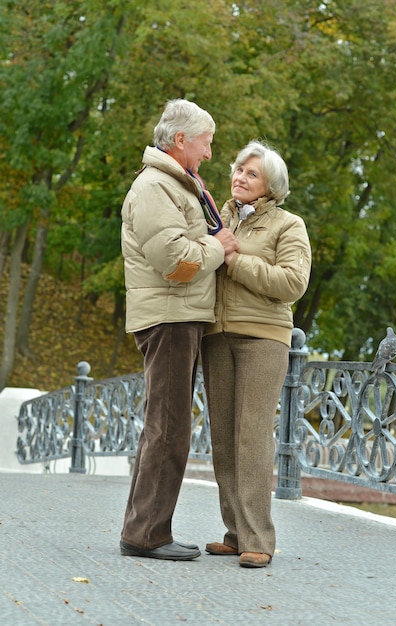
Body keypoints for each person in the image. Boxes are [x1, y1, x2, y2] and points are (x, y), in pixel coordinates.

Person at [119, 99, 238, 561]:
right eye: (206, 143)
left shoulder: (174, 185)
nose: (210, 153)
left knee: (165, 427)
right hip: (170, 317)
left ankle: (144, 528)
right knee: (169, 429)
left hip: (178, 316)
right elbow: (177, 263)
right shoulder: (154, 188)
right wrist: (216, 244)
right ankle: (147, 534)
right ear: (182, 140)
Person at [201, 140, 311, 568]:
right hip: (216, 334)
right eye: (238, 170)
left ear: (271, 185)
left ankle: (259, 540)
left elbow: (292, 284)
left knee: (251, 434)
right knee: (223, 437)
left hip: (263, 337)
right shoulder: (219, 216)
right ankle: (234, 532)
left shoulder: (289, 225)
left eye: (251, 174)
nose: (239, 178)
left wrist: (235, 259)